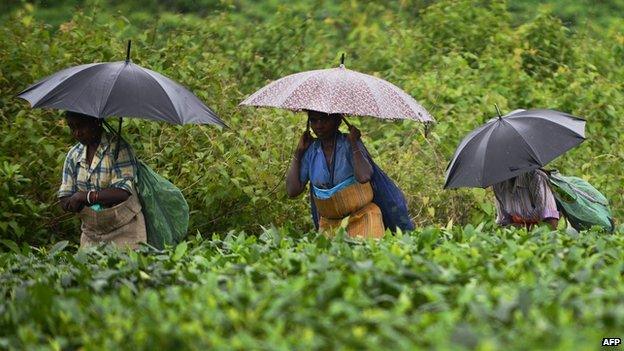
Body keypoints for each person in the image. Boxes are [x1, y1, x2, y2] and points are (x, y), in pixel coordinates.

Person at [286, 110, 413, 238]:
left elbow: (364, 177)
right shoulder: (311, 151)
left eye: (324, 119)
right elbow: (292, 190)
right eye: (313, 120)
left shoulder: (349, 144)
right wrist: (298, 153)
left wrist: (354, 144)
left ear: (338, 120)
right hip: (329, 224)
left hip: (363, 218)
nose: (319, 125)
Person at [58, 111, 146, 248]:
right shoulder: (74, 155)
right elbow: (64, 196)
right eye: (72, 127)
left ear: (96, 122)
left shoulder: (119, 149)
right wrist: (71, 203)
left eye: (81, 126)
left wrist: (85, 196)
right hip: (91, 232)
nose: (77, 133)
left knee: (128, 267)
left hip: (125, 228)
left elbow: (122, 192)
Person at [492, 169, 560, 230]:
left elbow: (551, 221)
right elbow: (503, 222)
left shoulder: (536, 177)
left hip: (540, 236)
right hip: (518, 237)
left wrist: (521, 228)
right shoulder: (499, 184)